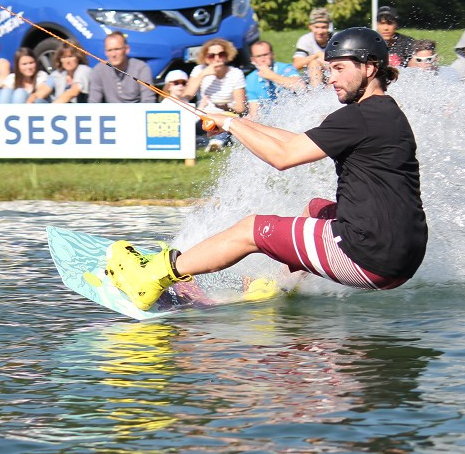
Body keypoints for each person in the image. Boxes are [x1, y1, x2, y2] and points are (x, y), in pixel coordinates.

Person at [104, 27, 427, 311]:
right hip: (402, 257)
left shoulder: (358, 116)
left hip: (369, 255)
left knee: (252, 230)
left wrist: (230, 123)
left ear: (370, 67)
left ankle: (154, 275)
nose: (332, 78)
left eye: (340, 68)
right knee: (316, 209)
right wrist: (238, 122)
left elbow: (283, 157)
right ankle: (277, 284)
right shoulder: (383, 113)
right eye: (329, 69)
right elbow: (298, 142)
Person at [88, 32, 154, 103]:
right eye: (109, 50)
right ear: (105, 52)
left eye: (117, 49)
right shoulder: (98, 70)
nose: (113, 54)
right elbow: (93, 101)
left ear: (127, 49)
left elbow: (148, 100)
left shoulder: (141, 68)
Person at [245, 39, 302, 119]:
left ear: (272, 55)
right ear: (253, 60)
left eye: (265, 54)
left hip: (294, 114)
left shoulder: (285, 68)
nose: (263, 59)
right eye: (258, 56)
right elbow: (254, 112)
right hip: (270, 120)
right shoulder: (250, 79)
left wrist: (272, 76)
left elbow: (300, 86)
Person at [292, 7, 332, 72]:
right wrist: (316, 55)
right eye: (316, 27)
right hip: (312, 74)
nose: (320, 32)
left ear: (328, 27)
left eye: (323, 27)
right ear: (310, 27)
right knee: (314, 63)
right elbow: (296, 65)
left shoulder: (336, 39)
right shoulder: (305, 40)